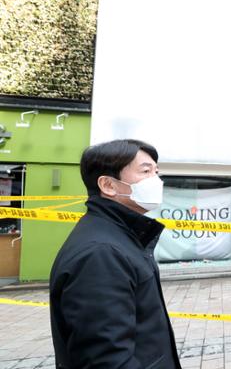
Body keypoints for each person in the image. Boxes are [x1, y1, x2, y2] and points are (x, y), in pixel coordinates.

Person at [49, 139, 182, 368]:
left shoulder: (120, 236)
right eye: (146, 171)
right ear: (109, 185)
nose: (157, 180)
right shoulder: (100, 254)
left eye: (157, 172)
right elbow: (106, 359)